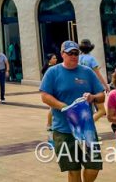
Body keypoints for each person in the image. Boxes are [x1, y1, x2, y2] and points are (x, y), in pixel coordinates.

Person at [40, 41, 105, 182]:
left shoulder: (87, 72)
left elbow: (102, 95)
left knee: (94, 166)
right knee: (73, 170)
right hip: (63, 130)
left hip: (86, 130)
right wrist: (63, 106)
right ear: (62, 54)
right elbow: (45, 96)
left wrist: (93, 97)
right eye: (70, 53)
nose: (74, 56)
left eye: (76, 53)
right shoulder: (53, 72)